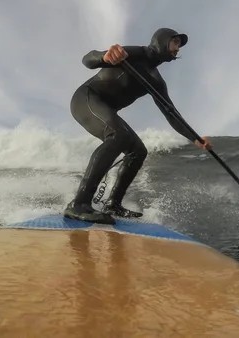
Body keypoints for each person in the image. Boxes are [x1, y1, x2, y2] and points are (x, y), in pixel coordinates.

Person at [64, 27, 212, 224]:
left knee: (138, 151)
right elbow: (88, 59)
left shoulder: (157, 81)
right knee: (118, 136)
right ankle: (79, 204)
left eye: (179, 45)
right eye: (175, 42)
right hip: (86, 99)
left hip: (105, 108)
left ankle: (113, 204)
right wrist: (105, 56)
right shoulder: (136, 53)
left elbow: (171, 114)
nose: (178, 48)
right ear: (162, 40)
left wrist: (195, 138)